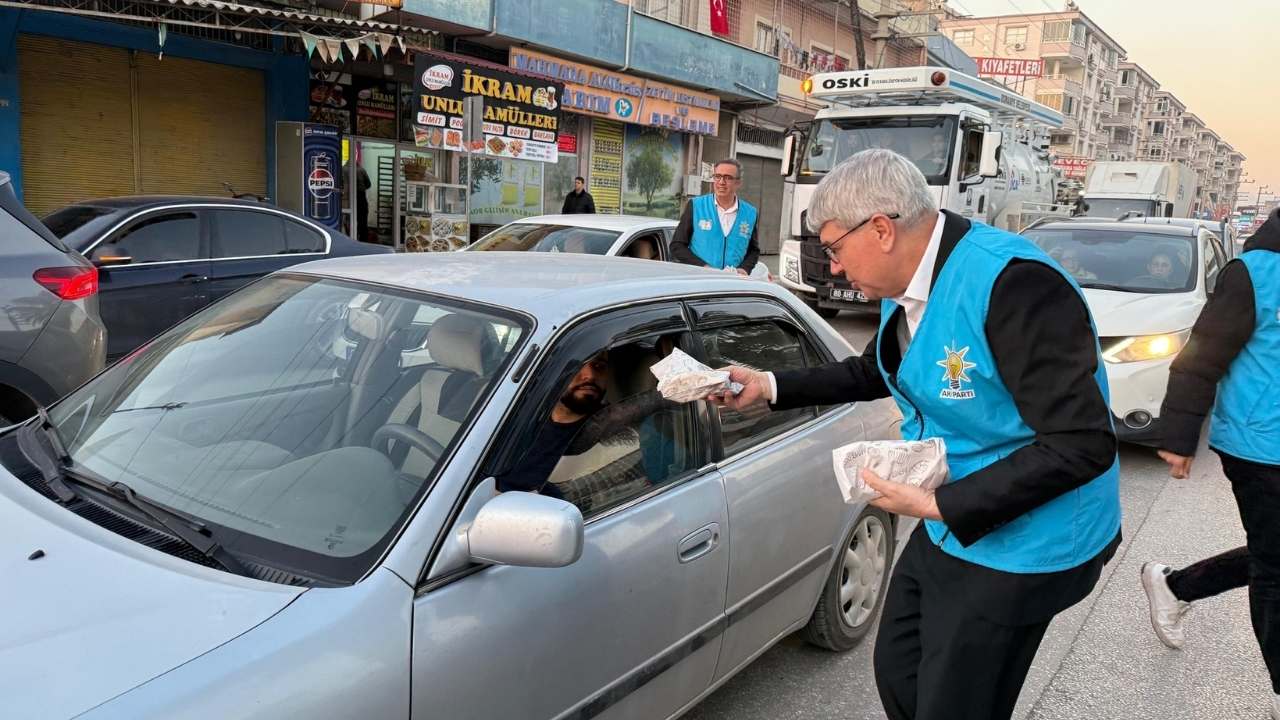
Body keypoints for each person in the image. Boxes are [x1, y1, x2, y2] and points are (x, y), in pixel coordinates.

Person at [711, 149, 1121, 720]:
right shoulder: (907, 286)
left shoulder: (1014, 285)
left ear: (880, 228)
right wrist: (771, 386)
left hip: (1029, 539)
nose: (831, 268)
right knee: (900, 668)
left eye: (833, 249)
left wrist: (936, 502)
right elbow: (879, 368)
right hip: (952, 515)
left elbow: (1083, 443)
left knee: (955, 702)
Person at [1140, 207, 1280, 719]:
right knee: (1276, 565)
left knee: (1274, 551)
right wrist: (1179, 435)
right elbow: (1202, 354)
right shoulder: (1255, 273)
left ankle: (1176, 585)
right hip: (1259, 445)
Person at [670, 159, 760, 275]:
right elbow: (677, 246)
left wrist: (744, 269)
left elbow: (753, 250)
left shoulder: (750, 213)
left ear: (738, 183)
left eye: (728, 177)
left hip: (733, 283)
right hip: (699, 280)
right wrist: (703, 267)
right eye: (717, 176)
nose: (721, 182)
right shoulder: (696, 206)